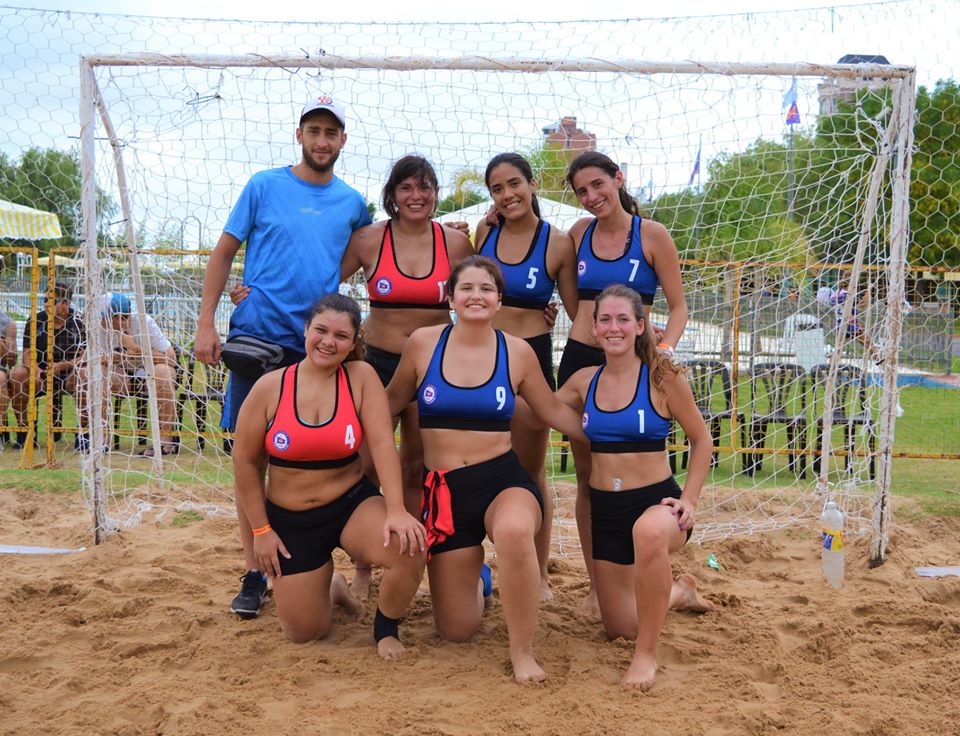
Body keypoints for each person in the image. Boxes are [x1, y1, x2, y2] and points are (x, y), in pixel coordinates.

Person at [193, 95, 372, 618]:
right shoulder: (263, 185)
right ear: (299, 135)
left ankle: (329, 555)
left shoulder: (352, 203)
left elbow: (362, 256)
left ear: (343, 141)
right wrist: (207, 321)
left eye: (331, 133)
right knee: (252, 457)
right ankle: (254, 568)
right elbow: (224, 252)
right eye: (313, 130)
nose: (322, 140)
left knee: (339, 449)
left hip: (320, 343)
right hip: (259, 338)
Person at [386, 255, 587, 684]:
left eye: (486, 289)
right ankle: (482, 581)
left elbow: (552, 411)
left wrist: (611, 438)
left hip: (501, 481)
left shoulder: (516, 352)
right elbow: (386, 405)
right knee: (456, 631)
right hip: (444, 495)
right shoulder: (424, 344)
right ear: (450, 298)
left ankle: (522, 652)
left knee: (515, 531)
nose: (476, 295)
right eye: (467, 288)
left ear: (499, 301)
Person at [233, 293, 426, 657]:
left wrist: (398, 510)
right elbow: (244, 464)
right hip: (292, 520)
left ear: (353, 342)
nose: (328, 341)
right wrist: (261, 531)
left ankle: (385, 629)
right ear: (305, 329)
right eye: (320, 330)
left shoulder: (361, 376)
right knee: (305, 632)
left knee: (410, 547)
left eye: (340, 336)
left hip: (350, 503)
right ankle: (335, 587)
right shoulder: (270, 387)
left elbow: (384, 445)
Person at [557, 284, 713, 690]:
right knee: (620, 627)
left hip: (658, 504)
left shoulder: (662, 378)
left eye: (623, 319)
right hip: (607, 511)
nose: (614, 327)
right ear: (592, 329)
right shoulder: (582, 381)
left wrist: (689, 499)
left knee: (647, 533)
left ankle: (646, 656)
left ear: (640, 326)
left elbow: (702, 440)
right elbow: (540, 409)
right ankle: (679, 592)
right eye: (604, 319)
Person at [560, 151, 688, 615]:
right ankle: (599, 586)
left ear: (618, 179)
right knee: (587, 479)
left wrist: (664, 353)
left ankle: (648, 578)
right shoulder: (577, 235)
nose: (592, 196)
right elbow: (572, 301)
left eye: (598, 185)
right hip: (583, 356)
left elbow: (678, 307)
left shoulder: (651, 234)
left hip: (638, 358)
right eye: (582, 191)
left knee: (634, 464)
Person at [339, 155, 473, 517]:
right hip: (376, 362)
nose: (416, 195)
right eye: (406, 187)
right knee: (364, 464)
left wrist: (541, 309)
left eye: (425, 187)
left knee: (415, 467)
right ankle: (366, 564)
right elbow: (320, 284)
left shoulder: (457, 244)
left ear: (436, 193)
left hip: (431, 365)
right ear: (392, 194)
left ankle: (413, 554)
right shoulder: (367, 240)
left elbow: (481, 293)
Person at [475, 152, 578, 601]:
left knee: (530, 470)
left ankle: (538, 573)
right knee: (475, 463)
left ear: (533, 184)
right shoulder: (485, 233)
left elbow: (579, 312)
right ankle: (476, 565)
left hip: (531, 360)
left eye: (513, 183)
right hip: (483, 360)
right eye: (497, 188)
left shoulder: (556, 244)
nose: (507, 194)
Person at [99, 293, 179, 457]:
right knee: (98, 372)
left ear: (121, 317)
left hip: (150, 374)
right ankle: (101, 439)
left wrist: (136, 349)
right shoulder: (99, 327)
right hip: (121, 376)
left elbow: (171, 358)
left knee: (163, 372)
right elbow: (92, 357)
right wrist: (112, 359)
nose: (103, 322)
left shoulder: (145, 322)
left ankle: (165, 441)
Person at [8, 282, 85, 450]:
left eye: (52, 300)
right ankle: (25, 432)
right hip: (41, 372)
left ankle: (83, 434)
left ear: (65, 303)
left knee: (84, 376)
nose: (46, 304)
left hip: (70, 372)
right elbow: (27, 353)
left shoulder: (79, 321)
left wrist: (63, 365)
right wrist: (36, 370)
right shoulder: (36, 320)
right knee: (18, 374)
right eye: (44, 300)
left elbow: (84, 356)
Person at [0, 310, 17, 443]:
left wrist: (1, 344)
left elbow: (12, 360)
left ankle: (0, 430)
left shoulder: (8, 324)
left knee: (0, 378)